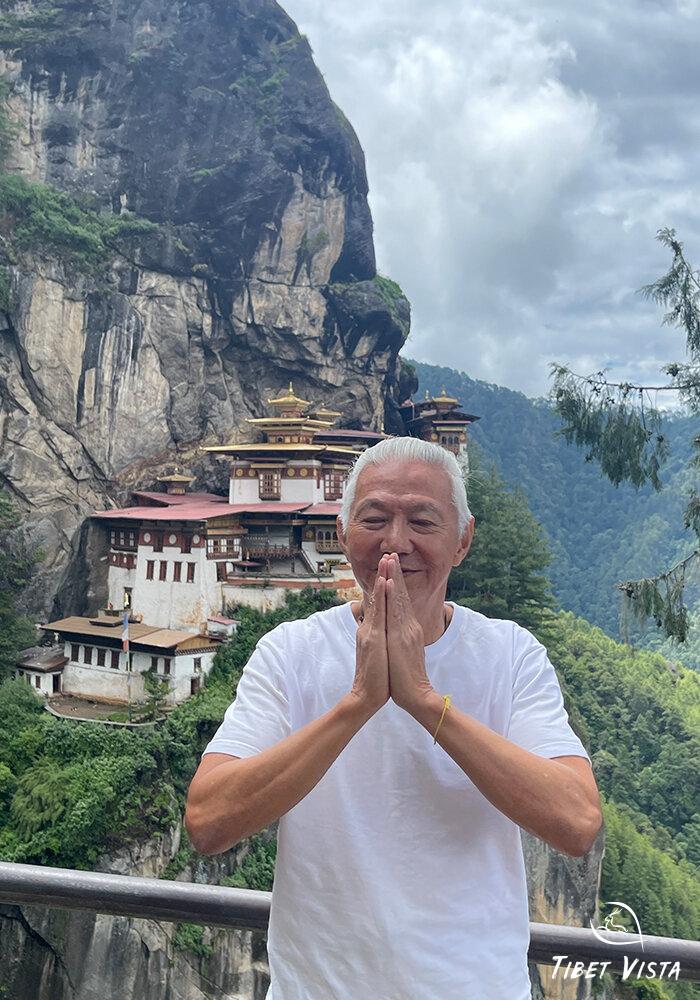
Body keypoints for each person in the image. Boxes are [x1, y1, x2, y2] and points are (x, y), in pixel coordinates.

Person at [185, 436, 603, 999]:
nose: (395, 544)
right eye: (374, 519)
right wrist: (358, 702)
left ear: (463, 541)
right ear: (341, 534)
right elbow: (209, 821)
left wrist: (424, 700)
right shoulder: (290, 652)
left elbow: (576, 821)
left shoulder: (510, 656)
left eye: (423, 523)